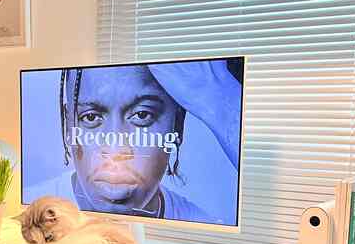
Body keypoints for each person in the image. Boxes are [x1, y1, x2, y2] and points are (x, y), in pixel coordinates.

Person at [26, 59, 242, 221]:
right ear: (67, 124)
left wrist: (221, 101)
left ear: (177, 125)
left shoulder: (201, 229)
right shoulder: (26, 214)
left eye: (142, 115)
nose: (115, 150)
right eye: (90, 117)